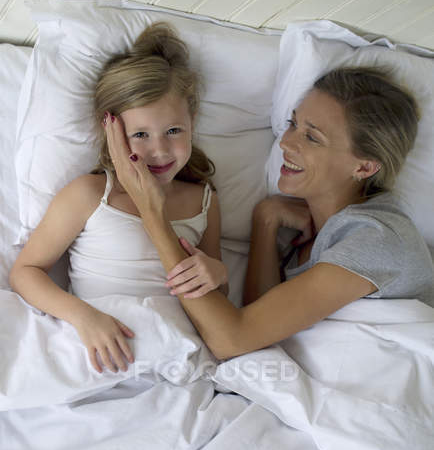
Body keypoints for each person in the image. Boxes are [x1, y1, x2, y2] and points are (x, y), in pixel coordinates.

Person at [105, 65, 434, 360]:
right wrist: (265, 220)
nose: (286, 143)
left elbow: (232, 340)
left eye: (311, 137)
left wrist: (152, 213)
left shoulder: (376, 240)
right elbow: (260, 325)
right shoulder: (308, 237)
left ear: (364, 166)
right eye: (293, 123)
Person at [9, 23, 228, 374]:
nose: (159, 150)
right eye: (140, 134)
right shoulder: (91, 194)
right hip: (103, 350)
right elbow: (25, 272)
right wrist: (83, 316)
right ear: (111, 132)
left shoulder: (204, 199)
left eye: (173, 131)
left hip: (177, 353)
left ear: (193, 121)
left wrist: (217, 273)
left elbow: (219, 294)